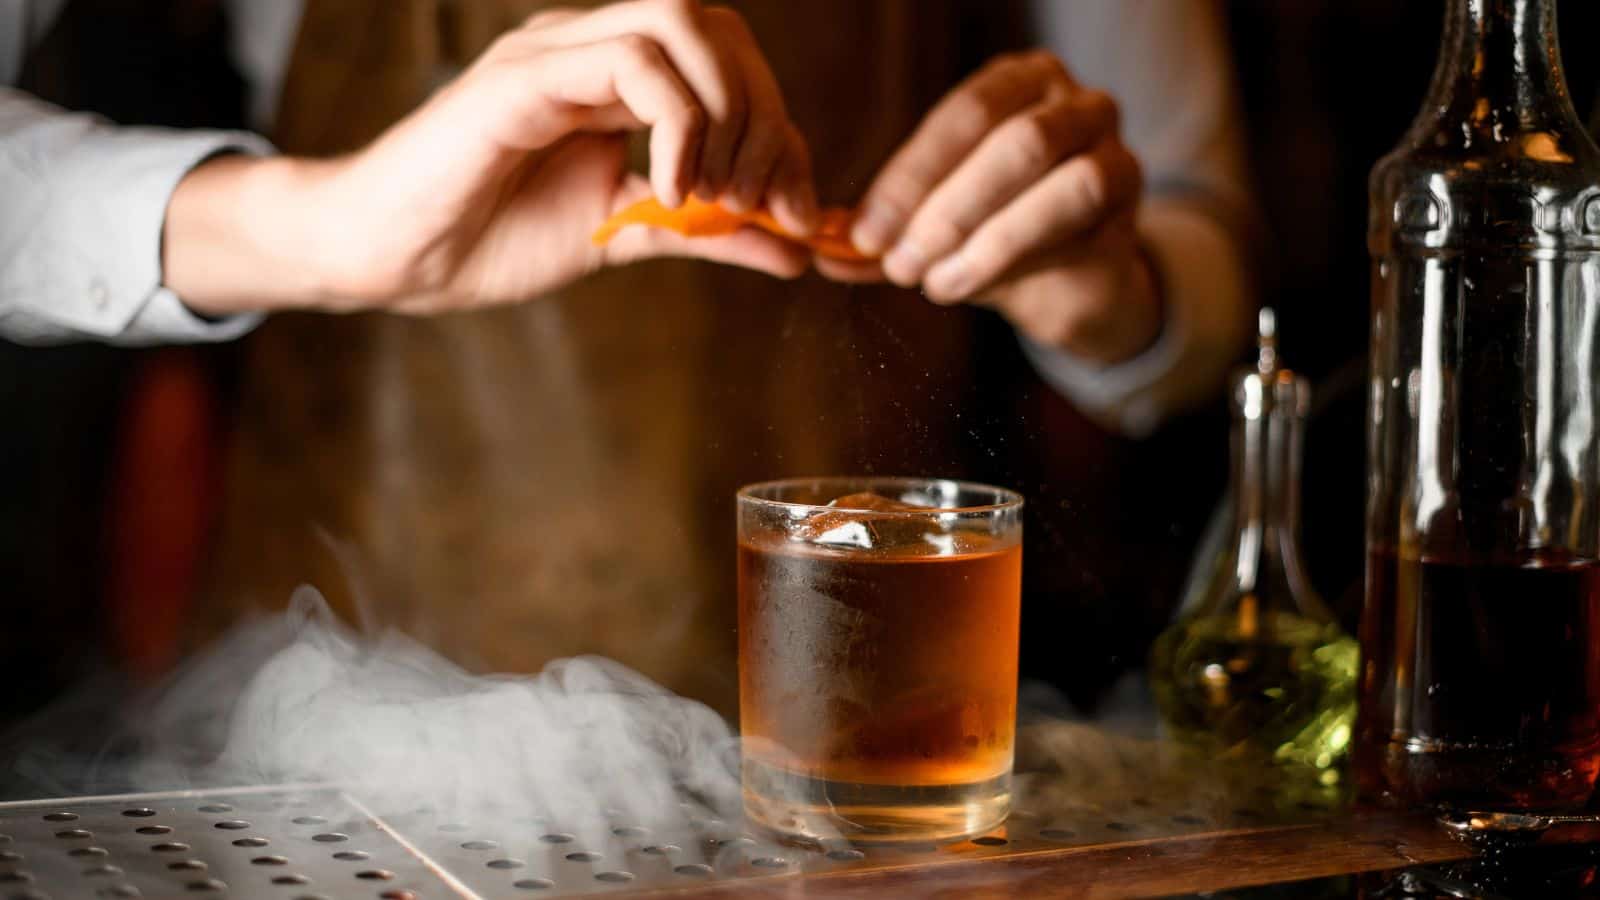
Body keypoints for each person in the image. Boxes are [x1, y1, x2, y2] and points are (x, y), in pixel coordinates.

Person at [2, 0, 1253, 716]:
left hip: (861, 728)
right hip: (341, 735)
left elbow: (1204, 252)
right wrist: (326, 225)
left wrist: (1120, 297)